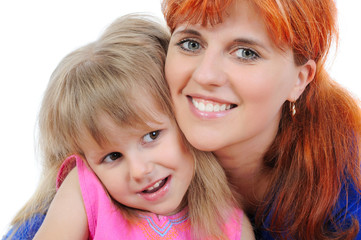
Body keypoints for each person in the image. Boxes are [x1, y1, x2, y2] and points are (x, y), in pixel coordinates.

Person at [5, 14, 255, 240]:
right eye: (112, 156)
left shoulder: (229, 225)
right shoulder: (87, 193)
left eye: (151, 136)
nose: (139, 170)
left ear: (183, 119)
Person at [162, 0, 361, 239]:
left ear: (299, 79)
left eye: (246, 53)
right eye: (191, 44)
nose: (205, 75)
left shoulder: (349, 195)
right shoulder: (122, 159)